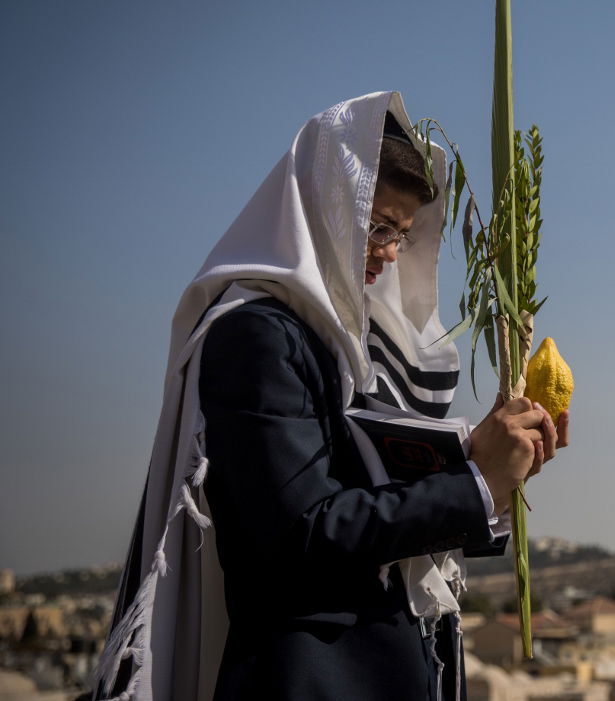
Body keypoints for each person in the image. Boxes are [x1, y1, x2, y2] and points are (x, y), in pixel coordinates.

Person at [92, 92, 565, 701]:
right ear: (325, 206)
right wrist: (473, 483)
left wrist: (497, 469)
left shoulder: (347, 347)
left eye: (404, 233)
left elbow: (377, 497)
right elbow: (302, 534)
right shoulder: (257, 336)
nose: (392, 252)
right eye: (379, 227)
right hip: (315, 677)